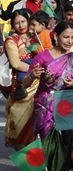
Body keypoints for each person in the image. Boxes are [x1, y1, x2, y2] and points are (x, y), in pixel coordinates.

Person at [18, 22, 73, 171]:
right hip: (43, 104)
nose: (69, 41)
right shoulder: (42, 56)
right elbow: (24, 84)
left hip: (65, 104)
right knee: (41, 147)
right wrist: (34, 76)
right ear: (55, 36)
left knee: (63, 149)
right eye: (66, 36)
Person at [3, 9, 39, 148]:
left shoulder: (36, 36)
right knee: (22, 124)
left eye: (23, 21)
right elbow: (16, 63)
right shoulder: (11, 41)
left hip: (41, 83)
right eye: (16, 23)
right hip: (24, 84)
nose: (20, 25)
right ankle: (29, 160)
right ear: (12, 25)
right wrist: (35, 70)